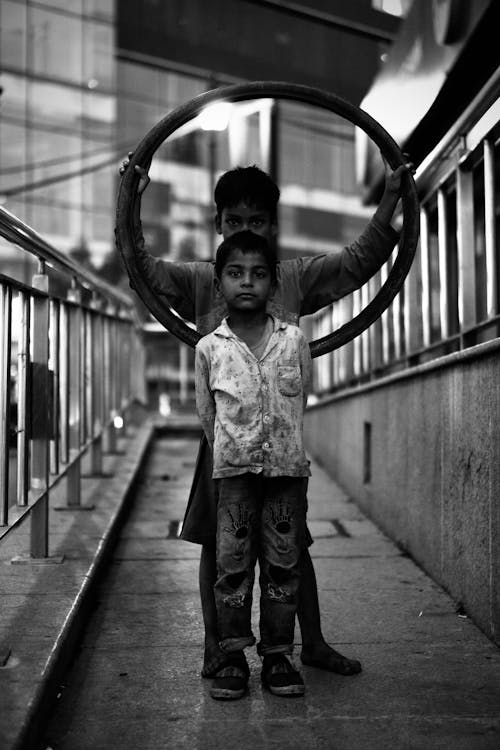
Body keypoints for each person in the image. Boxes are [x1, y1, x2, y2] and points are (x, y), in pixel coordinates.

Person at [119, 153, 409, 684]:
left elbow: (358, 260)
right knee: (216, 543)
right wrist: (131, 204)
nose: (245, 231)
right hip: (226, 447)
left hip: (279, 446)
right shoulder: (206, 280)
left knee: (291, 543)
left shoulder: (292, 279)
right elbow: (146, 273)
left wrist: (392, 197)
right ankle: (219, 647)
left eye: (256, 222)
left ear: (273, 227)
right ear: (218, 226)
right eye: (234, 222)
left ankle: (310, 644)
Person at [195, 230, 312, 699]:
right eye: (236, 273)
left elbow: (301, 401)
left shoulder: (294, 341)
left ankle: (279, 655)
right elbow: (208, 416)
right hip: (234, 478)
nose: (247, 282)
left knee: (284, 564)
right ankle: (231, 656)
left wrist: (279, 447)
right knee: (233, 566)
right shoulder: (209, 349)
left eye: (259, 274)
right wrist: (236, 451)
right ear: (220, 281)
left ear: (273, 282)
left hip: (286, 476)